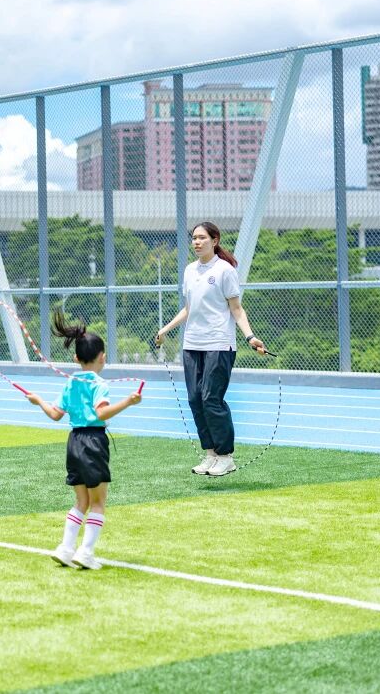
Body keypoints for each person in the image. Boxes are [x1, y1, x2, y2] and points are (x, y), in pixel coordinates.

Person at [25, 312, 142, 570]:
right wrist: (128, 402)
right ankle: (86, 552)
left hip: (74, 442)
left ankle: (66, 549)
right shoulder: (100, 384)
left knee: (81, 502)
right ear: (102, 357)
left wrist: (38, 400)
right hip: (93, 442)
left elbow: (55, 414)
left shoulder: (71, 382)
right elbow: (101, 413)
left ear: (76, 358)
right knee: (98, 503)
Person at [155, 222, 268, 477]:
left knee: (211, 399)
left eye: (202, 238)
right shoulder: (189, 271)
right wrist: (166, 329)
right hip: (192, 344)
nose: (196, 242)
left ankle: (226, 456)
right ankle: (211, 454)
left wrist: (250, 336)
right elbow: (189, 308)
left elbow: (236, 308)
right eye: (194, 238)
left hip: (219, 343)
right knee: (195, 399)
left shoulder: (225, 270)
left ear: (214, 241)